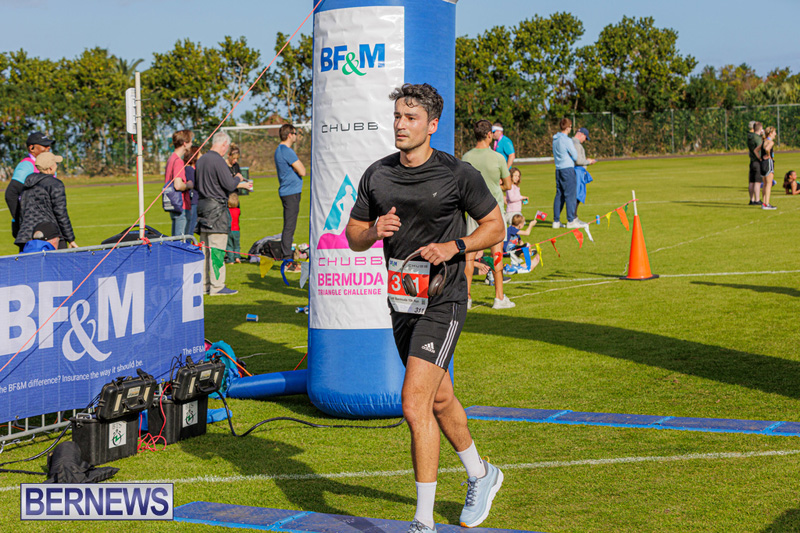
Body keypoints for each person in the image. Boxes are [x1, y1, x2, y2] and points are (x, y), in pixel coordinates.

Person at [346, 83, 506, 532]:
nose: (401, 124)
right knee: (439, 397)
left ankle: (422, 521)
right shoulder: (377, 174)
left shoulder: (457, 174)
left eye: (411, 117)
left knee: (414, 404)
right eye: (397, 116)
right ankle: (481, 474)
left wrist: (455, 246)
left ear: (432, 125)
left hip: (444, 300)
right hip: (402, 301)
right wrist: (374, 230)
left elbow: (495, 227)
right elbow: (353, 237)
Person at [462, 119, 514, 310]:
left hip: (472, 211)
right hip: (494, 212)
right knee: (497, 254)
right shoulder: (498, 158)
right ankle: (499, 298)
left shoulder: (466, 157)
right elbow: (508, 185)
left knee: (469, 256)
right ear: (490, 135)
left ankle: (466, 298)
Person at [195, 131, 250, 295]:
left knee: (205, 250)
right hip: (217, 210)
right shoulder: (218, 160)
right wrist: (238, 178)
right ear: (224, 144)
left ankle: (204, 285)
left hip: (202, 208)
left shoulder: (201, 159)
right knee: (217, 249)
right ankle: (217, 286)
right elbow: (229, 184)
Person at [15, 152, 78, 252]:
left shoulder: (27, 184)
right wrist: (70, 238)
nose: (56, 166)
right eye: (55, 163)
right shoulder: (55, 184)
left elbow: (22, 212)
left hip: (26, 237)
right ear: (50, 168)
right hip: (49, 236)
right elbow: (61, 213)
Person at [5, 132, 54, 241]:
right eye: (44, 145)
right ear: (32, 148)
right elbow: (11, 194)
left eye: (48, 145)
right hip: (31, 226)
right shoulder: (27, 165)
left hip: (46, 222)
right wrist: (21, 219)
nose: (48, 148)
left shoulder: (47, 164)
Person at [274, 124, 306, 273]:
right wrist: (296, 168)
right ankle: (288, 262)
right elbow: (303, 171)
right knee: (289, 227)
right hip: (290, 193)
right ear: (289, 135)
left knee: (289, 227)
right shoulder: (286, 151)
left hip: (289, 192)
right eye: (295, 133)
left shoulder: (280, 150)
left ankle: (288, 259)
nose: (296, 136)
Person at [552, 117, 587, 229]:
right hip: (567, 169)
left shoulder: (555, 139)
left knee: (559, 195)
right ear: (568, 127)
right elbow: (575, 156)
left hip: (558, 169)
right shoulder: (567, 140)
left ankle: (556, 221)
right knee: (570, 195)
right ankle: (571, 221)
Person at [164, 129, 194, 236]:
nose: (192, 144)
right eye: (191, 141)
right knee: (181, 240)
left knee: (175, 239)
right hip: (181, 206)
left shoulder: (171, 158)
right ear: (185, 143)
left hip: (173, 205)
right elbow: (178, 185)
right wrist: (189, 185)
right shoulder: (178, 161)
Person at [573, 127, 596, 217]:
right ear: (582, 135)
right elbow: (578, 161)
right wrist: (588, 162)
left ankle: (573, 217)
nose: (585, 140)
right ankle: (573, 217)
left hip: (577, 171)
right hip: (577, 172)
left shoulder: (574, 143)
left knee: (577, 195)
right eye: (585, 138)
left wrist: (586, 160)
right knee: (577, 195)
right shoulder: (576, 144)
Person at [183, 145, 200, 235]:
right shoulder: (189, 169)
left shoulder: (191, 169)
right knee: (191, 227)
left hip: (195, 200)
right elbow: (195, 183)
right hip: (193, 201)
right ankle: (188, 242)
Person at [760, 126, 777, 210]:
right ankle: (766, 204)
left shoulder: (763, 141)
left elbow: (756, 150)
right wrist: (768, 155)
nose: (775, 134)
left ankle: (764, 203)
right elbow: (767, 148)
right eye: (774, 132)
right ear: (770, 133)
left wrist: (760, 158)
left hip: (762, 163)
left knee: (765, 184)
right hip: (768, 163)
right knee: (769, 184)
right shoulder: (770, 142)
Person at [747, 121, 763, 205]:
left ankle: (751, 199)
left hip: (752, 161)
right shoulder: (758, 138)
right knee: (757, 182)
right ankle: (757, 199)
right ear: (760, 128)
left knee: (751, 182)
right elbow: (760, 149)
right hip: (757, 161)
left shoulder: (750, 137)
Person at [226, 192, 242, 264]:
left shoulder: (227, 211)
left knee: (229, 245)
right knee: (236, 245)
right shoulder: (238, 210)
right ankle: (237, 257)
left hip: (229, 230)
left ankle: (231, 259)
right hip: (236, 230)